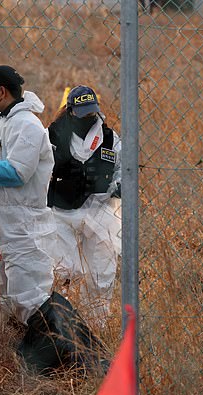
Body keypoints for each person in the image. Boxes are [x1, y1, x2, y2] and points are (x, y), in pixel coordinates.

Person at [0, 66, 106, 374]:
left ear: (2, 91)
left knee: (31, 299)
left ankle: (79, 364)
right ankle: (38, 362)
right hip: (4, 223)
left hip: (22, 225)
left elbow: (16, 172)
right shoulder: (7, 122)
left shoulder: (26, 125)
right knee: (6, 298)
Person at [47, 85, 122, 324]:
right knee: (63, 272)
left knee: (102, 274)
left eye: (91, 112)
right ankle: (58, 325)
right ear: (70, 111)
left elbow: (123, 169)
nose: (88, 117)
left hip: (100, 210)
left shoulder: (109, 138)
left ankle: (95, 327)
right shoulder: (53, 134)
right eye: (82, 113)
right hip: (61, 210)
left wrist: (119, 186)